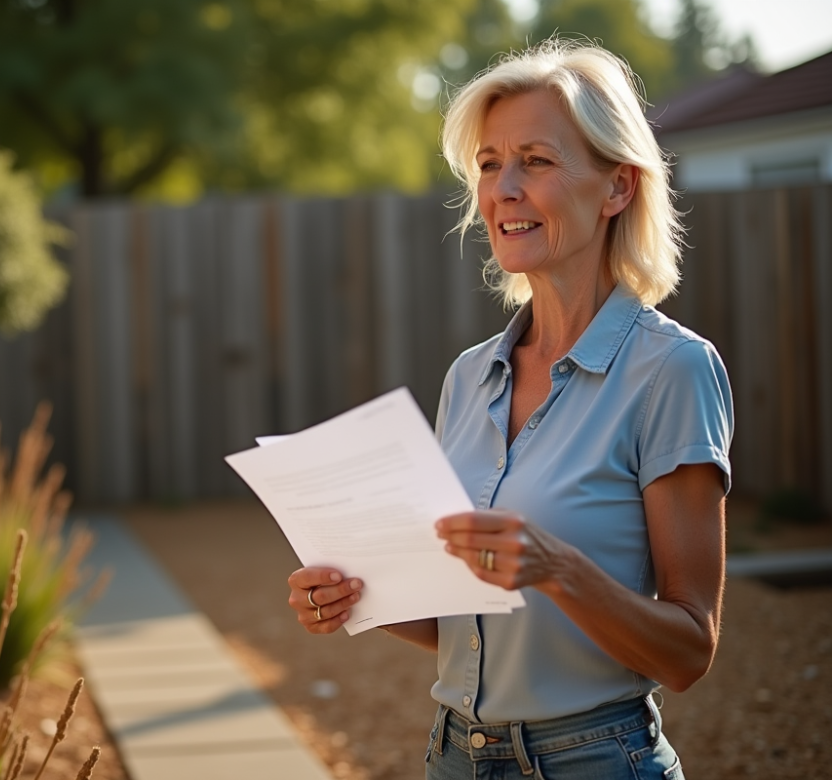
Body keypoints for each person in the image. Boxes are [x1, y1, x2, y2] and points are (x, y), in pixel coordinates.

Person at [286, 39, 732, 779]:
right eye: (490, 164)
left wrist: (558, 568)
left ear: (617, 187)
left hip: (597, 761)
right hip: (454, 755)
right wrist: (357, 599)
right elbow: (467, 620)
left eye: (537, 159)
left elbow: (689, 651)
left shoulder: (672, 372)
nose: (504, 188)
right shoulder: (469, 378)